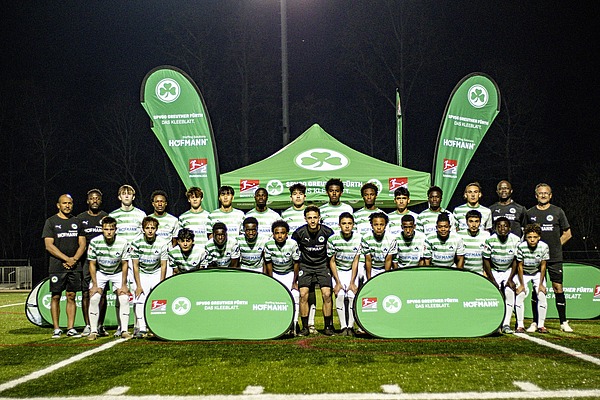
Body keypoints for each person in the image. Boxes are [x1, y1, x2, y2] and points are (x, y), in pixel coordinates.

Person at [526, 183, 573, 332]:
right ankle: (535, 322)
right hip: (536, 258)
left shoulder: (557, 211)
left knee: (558, 287)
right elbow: (525, 233)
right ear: (536, 196)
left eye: (546, 193)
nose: (543, 195)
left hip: (554, 257)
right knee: (537, 289)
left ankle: (563, 322)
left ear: (550, 195)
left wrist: (555, 246)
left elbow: (567, 234)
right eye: (540, 193)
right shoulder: (530, 213)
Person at [42, 194, 87, 339]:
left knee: (71, 296)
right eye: (64, 203)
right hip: (57, 266)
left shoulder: (77, 222)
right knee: (55, 296)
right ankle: (56, 328)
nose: (67, 206)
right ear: (58, 205)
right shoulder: (51, 222)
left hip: (74, 265)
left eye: (70, 203)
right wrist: (66, 259)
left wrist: (74, 259)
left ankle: (70, 328)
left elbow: (83, 244)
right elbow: (49, 246)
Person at [291, 205, 335, 336]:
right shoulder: (299, 233)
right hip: (306, 266)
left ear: (319, 218)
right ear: (305, 219)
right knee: (303, 294)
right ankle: (305, 327)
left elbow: (333, 251)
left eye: (315, 217)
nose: (312, 220)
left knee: (327, 294)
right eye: (309, 218)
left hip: (322, 266)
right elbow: (293, 249)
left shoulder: (327, 232)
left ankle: (328, 326)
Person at [109, 184, 146, 337]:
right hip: (120, 260)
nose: (126, 196)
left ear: (133, 197)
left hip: (135, 259)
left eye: (129, 194)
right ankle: (121, 326)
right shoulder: (113, 215)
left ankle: (138, 325)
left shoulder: (140, 214)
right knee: (121, 292)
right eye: (123, 194)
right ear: (119, 197)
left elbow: (143, 236)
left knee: (137, 291)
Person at [86, 216, 132, 340]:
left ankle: (124, 330)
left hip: (117, 272)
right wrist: (95, 285)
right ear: (102, 229)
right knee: (94, 298)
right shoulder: (95, 242)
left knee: (124, 298)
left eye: (111, 229)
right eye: (106, 229)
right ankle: (94, 331)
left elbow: (125, 263)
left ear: (115, 230)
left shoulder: (123, 242)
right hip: (101, 272)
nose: (109, 232)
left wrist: (123, 285)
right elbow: (92, 264)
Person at [76, 189, 109, 337]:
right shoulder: (80, 218)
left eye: (97, 198)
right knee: (86, 293)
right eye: (92, 198)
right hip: (86, 262)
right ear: (87, 201)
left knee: (102, 293)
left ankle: (100, 325)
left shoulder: (106, 217)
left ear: (100, 201)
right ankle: (88, 325)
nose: (94, 201)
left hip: (103, 262)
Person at [482, 217, 521, 334]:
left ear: (509, 228)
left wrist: (510, 279)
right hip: (494, 270)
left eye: (505, 226)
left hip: (509, 270)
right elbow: (486, 260)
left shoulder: (516, 240)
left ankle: (506, 324)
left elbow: (516, 260)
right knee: (494, 295)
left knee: (509, 292)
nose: (502, 228)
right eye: (499, 226)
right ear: (495, 229)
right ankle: (495, 324)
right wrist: (492, 279)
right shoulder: (490, 240)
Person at [130, 216, 167, 338]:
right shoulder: (136, 242)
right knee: (140, 298)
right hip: (142, 272)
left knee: (158, 299)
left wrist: (161, 284)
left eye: (153, 228)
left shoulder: (162, 243)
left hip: (156, 271)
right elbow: (135, 265)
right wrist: (138, 285)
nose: (150, 231)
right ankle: (142, 328)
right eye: (147, 228)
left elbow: (163, 265)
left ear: (156, 229)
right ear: (143, 229)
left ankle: (156, 327)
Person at [264, 220, 300, 335]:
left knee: (295, 296)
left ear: (287, 234)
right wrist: (271, 280)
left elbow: (296, 263)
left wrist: (294, 282)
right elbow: (268, 263)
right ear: (273, 234)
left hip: (289, 273)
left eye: (282, 233)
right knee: (275, 299)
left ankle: (294, 324)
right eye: (277, 233)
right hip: (276, 273)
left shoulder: (292, 244)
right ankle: (278, 324)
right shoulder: (268, 245)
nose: (280, 236)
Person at [327, 212, 361, 336]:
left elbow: (356, 261)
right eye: (344, 223)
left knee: (352, 295)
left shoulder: (358, 238)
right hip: (338, 271)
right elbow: (332, 261)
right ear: (339, 225)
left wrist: (352, 282)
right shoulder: (332, 239)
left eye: (349, 223)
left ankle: (350, 327)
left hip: (352, 271)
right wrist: (337, 282)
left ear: (353, 225)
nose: (347, 226)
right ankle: (343, 327)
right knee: (340, 295)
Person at [515, 223, 550, 333]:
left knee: (541, 295)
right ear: (526, 237)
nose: (532, 240)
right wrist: (521, 285)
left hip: (537, 272)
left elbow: (543, 266)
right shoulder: (521, 247)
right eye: (529, 237)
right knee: (520, 295)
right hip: (524, 273)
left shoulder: (544, 246)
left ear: (539, 237)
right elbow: (519, 266)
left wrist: (541, 284)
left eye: (535, 237)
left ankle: (541, 325)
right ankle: (520, 325)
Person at [355, 212, 397, 279]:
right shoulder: (366, 238)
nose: (379, 227)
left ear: (385, 225)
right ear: (371, 225)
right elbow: (368, 260)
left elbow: (388, 260)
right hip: (372, 268)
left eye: (382, 225)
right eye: (376, 225)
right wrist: (369, 279)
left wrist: (386, 278)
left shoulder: (391, 239)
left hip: (384, 267)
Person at [457, 210, 490, 274]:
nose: (474, 225)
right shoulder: (459, 235)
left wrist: (485, 273)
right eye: (471, 221)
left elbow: (487, 258)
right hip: (464, 272)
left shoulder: (486, 235)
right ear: (466, 222)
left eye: (476, 221)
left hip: (480, 273)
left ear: (480, 222)